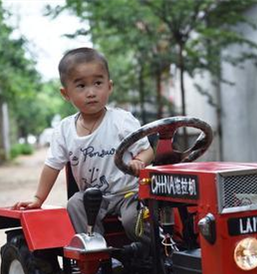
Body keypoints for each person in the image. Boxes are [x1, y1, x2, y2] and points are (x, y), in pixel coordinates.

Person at [13, 48, 154, 242]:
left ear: (109, 86)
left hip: (129, 194)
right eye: (81, 86)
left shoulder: (121, 121)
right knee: (75, 204)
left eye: (98, 83)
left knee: (133, 220)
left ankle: (150, 258)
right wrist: (38, 199)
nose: (91, 93)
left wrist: (139, 160)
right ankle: (95, 250)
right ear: (65, 93)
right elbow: (52, 166)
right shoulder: (64, 130)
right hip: (93, 198)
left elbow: (147, 150)